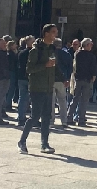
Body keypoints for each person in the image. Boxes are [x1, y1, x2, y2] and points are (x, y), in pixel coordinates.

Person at [18, 24, 59, 154]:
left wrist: (63, 78)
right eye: (53, 32)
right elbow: (29, 69)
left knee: (47, 116)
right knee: (35, 116)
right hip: (37, 87)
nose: (55, 35)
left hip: (48, 87)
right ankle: (22, 141)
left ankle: (44, 144)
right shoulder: (35, 50)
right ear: (46, 33)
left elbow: (54, 68)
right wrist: (45, 65)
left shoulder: (51, 49)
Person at [67, 38, 97, 127]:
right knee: (84, 101)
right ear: (87, 45)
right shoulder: (91, 56)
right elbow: (93, 68)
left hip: (78, 79)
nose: (91, 46)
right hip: (87, 79)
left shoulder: (77, 54)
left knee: (75, 99)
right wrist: (93, 76)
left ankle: (69, 118)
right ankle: (81, 120)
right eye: (90, 44)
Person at [51, 38, 71, 128]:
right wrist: (68, 78)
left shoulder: (51, 53)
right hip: (62, 80)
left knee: (51, 101)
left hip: (51, 79)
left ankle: (51, 120)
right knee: (62, 100)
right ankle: (64, 121)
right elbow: (70, 67)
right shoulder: (66, 54)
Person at [16, 36, 33, 126]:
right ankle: (33, 119)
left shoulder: (21, 53)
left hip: (21, 77)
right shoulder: (33, 53)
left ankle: (21, 117)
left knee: (22, 98)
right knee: (33, 99)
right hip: (29, 78)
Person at [4, 40, 19, 111]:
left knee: (9, 89)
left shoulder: (8, 53)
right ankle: (8, 105)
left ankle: (7, 103)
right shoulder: (11, 54)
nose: (16, 46)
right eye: (14, 44)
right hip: (12, 72)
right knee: (11, 89)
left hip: (10, 72)